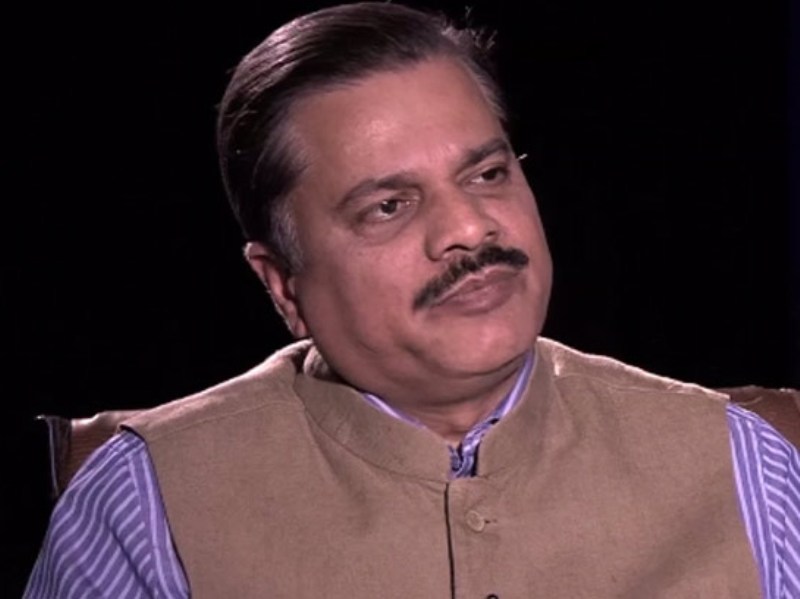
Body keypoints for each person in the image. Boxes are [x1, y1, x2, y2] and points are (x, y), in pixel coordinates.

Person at [25, 2, 800, 597]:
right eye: (389, 206)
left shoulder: (746, 464)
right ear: (283, 284)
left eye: (487, 174)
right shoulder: (143, 503)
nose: (469, 227)